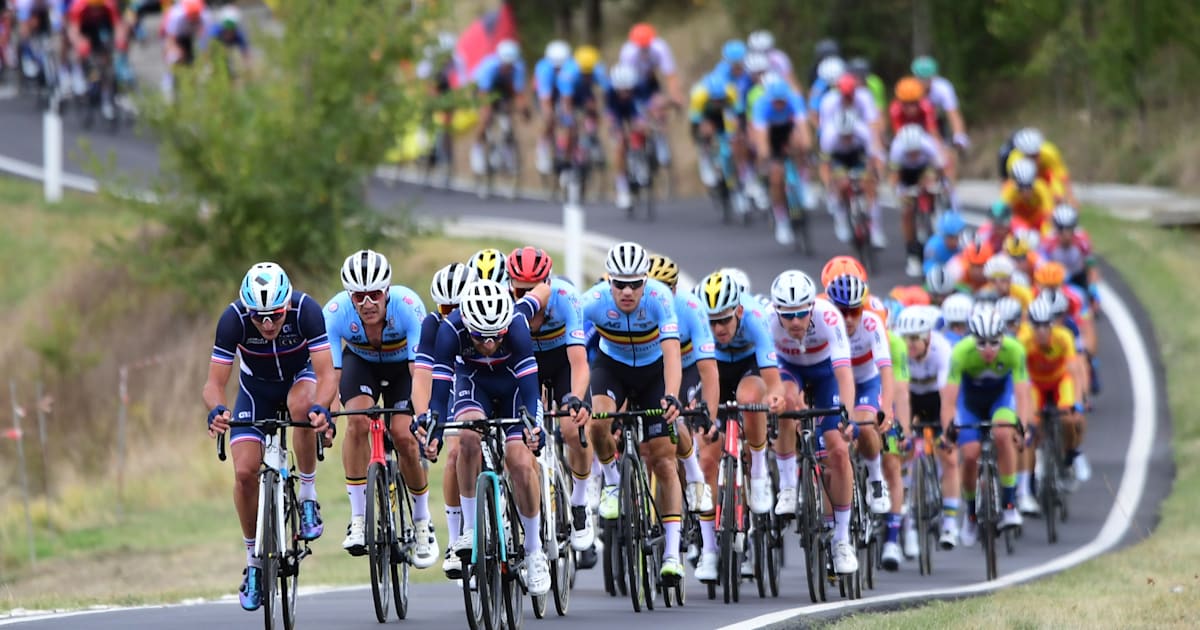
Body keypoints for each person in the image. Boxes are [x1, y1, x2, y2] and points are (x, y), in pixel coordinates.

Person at [203, 262, 336, 611]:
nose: (267, 324)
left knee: (302, 405)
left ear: (286, 305)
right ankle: (253, 562)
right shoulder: (233, 319)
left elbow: (326, 373)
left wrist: (323, 409)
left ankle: (307, 495)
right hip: (255, 392)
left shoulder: (306, 310)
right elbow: (214, 383)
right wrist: (217, 410)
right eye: (259, 317)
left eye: (275, 315)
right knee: (245, 473)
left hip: (300, 381)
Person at [417, 279, 552, 596]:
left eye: (495, 336)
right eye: (480, 337)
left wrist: (534, 428)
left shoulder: (516, 325)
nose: (489, 343)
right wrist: (433, 428)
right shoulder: (451, 329)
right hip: (474, 384)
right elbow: (439, 392)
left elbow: (530, 390)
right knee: (466, 437)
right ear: (468, 326)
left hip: (514, 389)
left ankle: (534, 551)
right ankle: (470, 528)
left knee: (519, 462)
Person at [581, 241, 687, 584]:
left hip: (653, 373)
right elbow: (576, 353)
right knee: (598, 422)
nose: (627, 291)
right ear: (608, 280)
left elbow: (672, 353)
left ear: (646, 282)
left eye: (635, 284)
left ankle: (672, 553)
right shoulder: (593, 302)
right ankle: (612, 482)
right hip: (612, 367)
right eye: (620, 283)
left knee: (664, 460)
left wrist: (671, 395)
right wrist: (577, 397)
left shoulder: (659, 298)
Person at [324, 251, 438, 568]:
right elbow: (330, 376)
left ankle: (422, 521)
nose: (367, 303)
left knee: (403, 435)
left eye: (375, 294)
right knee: (357, 424)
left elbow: (420, 372)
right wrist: (328, 416)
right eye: (359, 296)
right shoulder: (333, 313)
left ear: (387, 290)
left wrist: (423, 419)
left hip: (404, 369)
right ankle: (359, 519)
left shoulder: (409, 307)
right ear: (350, 295)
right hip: (360, 365)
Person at [766, 270, 859, 575]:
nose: (795, 321)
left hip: (826, 376)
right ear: (777, 311)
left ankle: (842, 538)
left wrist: (846, 414)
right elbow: (767, 373)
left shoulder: (829, 316)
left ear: (811, 308)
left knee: (838, 451)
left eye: (801, 314)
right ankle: (789, 486)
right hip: (788, 369)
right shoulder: (767, 321)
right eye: (788, 315)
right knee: (787, 404)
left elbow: (845, 373)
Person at [506, 246, 595, 553]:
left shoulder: (566, 298)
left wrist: (576, 398)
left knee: (573, 429)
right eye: (520, 289)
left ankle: (581, 502)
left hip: (562, 362)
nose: (529, 295)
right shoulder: (505, 304)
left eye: (535, 288)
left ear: (548, 284)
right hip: (526, 363)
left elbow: (580, 363)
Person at [941, 306, 1030, 546]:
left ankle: (1010, 504)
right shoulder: (961, 352)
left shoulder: (1014, 350)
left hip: (1001, 401)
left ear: (1003, 337)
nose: (988, 349)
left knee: (1003, 433)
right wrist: (948, 431)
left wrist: (1023, 427)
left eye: (994, 342)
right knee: (969, 456)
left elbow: (1022, 395)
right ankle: (970, 515)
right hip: (970, 404)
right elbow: (949, 399)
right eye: (981, 343)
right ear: (972, 339)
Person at [411, 262, 477, 578]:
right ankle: (455, 540)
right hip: (451, 386)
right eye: (445, 306)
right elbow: (423, 376)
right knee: (454, 452)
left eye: (458, 307)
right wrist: (425, 420)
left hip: (485, 381)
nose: (451, 313)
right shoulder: (433, 325)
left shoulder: (490, 313)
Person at [893, 304, 961, 550]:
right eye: (905, 339)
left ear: (928, 337)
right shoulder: (899, 352)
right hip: (909, 399)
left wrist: (946, 434)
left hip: (936, 399)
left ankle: (951, 524)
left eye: (915, 339)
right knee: (903, 452)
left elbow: (947, 399)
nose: (909, 345)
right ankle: (908, 524)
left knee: (950, 456)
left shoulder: (943, 350)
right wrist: (904, 432)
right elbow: (898, 394)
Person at [750, 73, 811, 246]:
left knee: (800, 144)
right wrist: (767, 157)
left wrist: (805, 147)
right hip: (771, 135)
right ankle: (782, 220)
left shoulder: (795, 99)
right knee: (776, 176)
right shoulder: (761, 105)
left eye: (782, 101)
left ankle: (804, 183)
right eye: (775, 101)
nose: (779, 104)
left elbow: (803, 129)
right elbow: (761, 139)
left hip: (788, 130)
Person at [889, 123, 950, 277]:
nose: (913, 156)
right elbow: (895, 178)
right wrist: (900, 193)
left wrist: (942, 186)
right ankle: (912, 253)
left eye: (916, 152)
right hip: (906, 175)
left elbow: (941, 170)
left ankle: (934, 216)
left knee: (930, 183)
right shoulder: (896, 150)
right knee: (907, 211)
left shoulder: (929, 144)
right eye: (910, 153)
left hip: (925, 170)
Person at [818, 109, 885, 247]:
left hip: (857, 156)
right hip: (838, 159)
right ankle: (842, 217)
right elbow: (825, 165)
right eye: (844, 136)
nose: (847, 138)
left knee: (869, 184)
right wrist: (828, 184)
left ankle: (875, 229)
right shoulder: (829, 136)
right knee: (841, 183)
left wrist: (875, 176)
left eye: (849, 135)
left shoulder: (863, 132)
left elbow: (873, 159)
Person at [469, 39, 528, 177]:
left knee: (507, 120)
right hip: (482, 88)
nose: (508, 67)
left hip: (502, 90)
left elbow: (518, 93)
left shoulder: (518, 68)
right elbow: (484, 94)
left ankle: (508, 150)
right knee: (486, 117)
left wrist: (523, 109)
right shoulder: (489, 67)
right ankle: (477, 147)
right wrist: (487, 109)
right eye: (505, 64)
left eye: (510, 65)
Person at [910, 55, 969, 180]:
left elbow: (953, 114)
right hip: (917, 123)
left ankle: (950, 192)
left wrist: (959, 135)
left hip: (938, 122)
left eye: (927, 78)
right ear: (914, 77)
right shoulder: (910, 88)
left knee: (949, 154)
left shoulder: (943, 87)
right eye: (921, 78)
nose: (924, 82)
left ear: (934, 76)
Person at [66, 0, 127, 118]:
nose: (96, 11)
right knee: (81, 51)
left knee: (106, 59)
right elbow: (73, 30)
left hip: (100, 27)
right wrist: (79, 43)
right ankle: (79, 77)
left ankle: (106, 96)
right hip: (84, 28)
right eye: (93, 8)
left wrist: (120, 42)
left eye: (98, 8)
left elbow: (118, 26)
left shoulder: (109, 5)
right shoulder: (79, 6)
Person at [1005, 127, 1078, 207]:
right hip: (1026, 183)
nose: (1033, 159)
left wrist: (1070, 197)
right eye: (1029, 156)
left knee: (1058, 194)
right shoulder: (1014, 160)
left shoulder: (1049, 153)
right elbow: (1012, 185)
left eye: (1035, 155)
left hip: (1045, 176)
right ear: (1022, 153)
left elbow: (1062, 176)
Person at [534, 40, 573, 176]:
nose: (558, 69)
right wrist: (549, 113)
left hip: (560, 93)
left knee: (569, 124)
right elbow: (545, 99)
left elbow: (567, 96)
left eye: (561, 66)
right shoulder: (543, 69)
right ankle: (543, 149)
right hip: (544, 93)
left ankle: (564, 155)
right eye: (556, 67)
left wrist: (567, 116)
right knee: (548, 120)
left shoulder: (570, 68)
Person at [159, 0, 209, 97]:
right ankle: (168, 89)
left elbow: (204, 40)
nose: (194, 19)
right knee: (173, 58)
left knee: (191, 61)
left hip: (186, 35)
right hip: (169, 34)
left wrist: (205, 57)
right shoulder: (176, 16)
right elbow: (169, 40)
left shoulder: (204, 16)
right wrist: (177, 51)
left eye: (196, 16)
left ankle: (193, 89)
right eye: (192, 16)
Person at [1001, 158, 1055, 234]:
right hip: (1019, 223)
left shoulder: (1041, 188)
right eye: (1021, 187)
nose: (1025, 191)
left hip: (1037, 222)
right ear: (1015, 183)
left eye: (1029, 186)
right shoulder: (1009, 189)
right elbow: (1001, 214)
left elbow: (1049, 215)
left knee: (1048, 230)